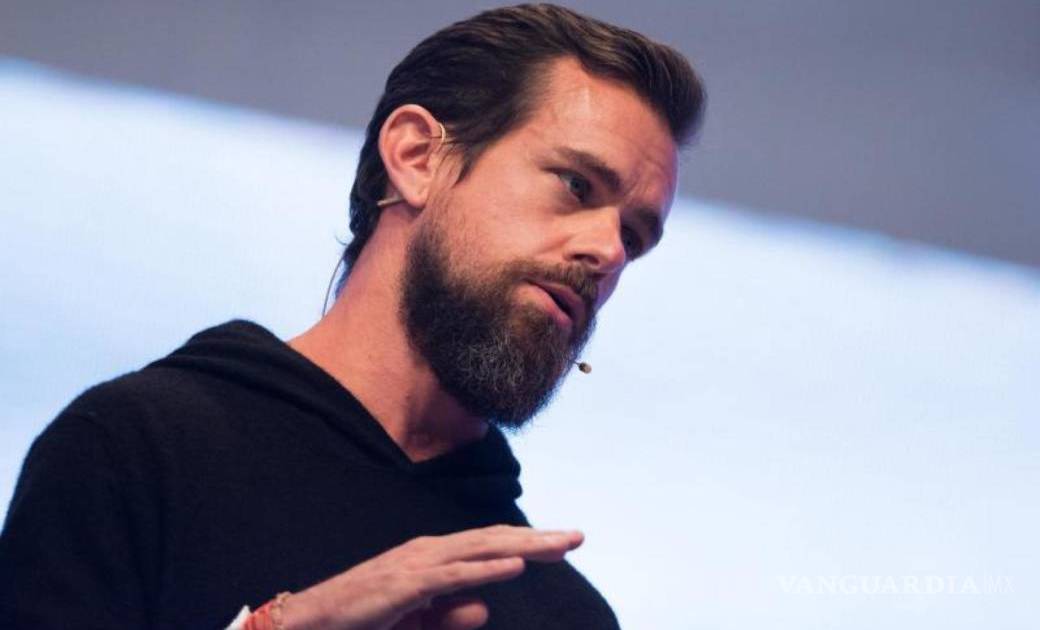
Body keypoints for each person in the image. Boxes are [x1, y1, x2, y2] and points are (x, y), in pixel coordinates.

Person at [0, 4, 704, 629]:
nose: (608, 251)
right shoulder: (136, 451)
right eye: (577, 184)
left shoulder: (559, 613)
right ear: (418, 156)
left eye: (635, 237)